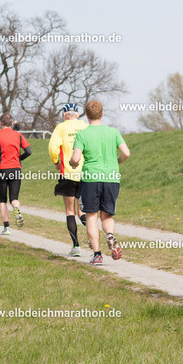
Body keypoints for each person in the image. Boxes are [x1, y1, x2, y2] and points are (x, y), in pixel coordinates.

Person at [69, 100, 130, 265]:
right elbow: (126, 153)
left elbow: (75, 158)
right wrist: (118, 161)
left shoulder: (82, 134)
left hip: (91, 179)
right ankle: (109, 235)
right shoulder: (113, 132)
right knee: (107, 215)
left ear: (87, 115)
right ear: (102, 114)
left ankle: (97, 254)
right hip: (111, 178)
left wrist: (72, 163)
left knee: (91, 216)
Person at [49, 103, 88, 256]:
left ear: (64, 115)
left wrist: (56, 162)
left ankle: (76, 246)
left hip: (68, 173)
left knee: (70, 211)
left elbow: (53, 148)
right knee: (83, 210)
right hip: (85, 173)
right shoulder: (85, 127)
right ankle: (92, 235)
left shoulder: (61, 128)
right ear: (77, 115)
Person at [0, 113, 32, 235]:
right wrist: (19, 159)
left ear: (1, 123)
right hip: (16, 169)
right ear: (12, 123)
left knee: (3, 199)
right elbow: (29, 151)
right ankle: (16, 209)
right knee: (14, 198)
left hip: (2, 169)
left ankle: (7, 228)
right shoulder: (18, 135)